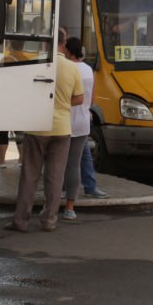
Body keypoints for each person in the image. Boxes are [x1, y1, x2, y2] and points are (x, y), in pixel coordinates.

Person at [7, 28, 84, 233]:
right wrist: (62, 104)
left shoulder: (36, 63)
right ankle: (49, 220)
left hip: (37, 126)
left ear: (45, 42)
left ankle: (20, 220)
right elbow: (80, 98)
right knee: (55, 176)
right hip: (61, 128)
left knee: (30, 175)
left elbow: (24, 92)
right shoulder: (72, 68)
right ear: (64, 43)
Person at [60, 37, 94, 220]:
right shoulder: (88, 69)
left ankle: (52, 203)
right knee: (74, 165)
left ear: (68, 51)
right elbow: (91, 99)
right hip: (82, 121)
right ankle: (70, 207)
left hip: (64, 121)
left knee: (57, 165)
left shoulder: (67, 68)